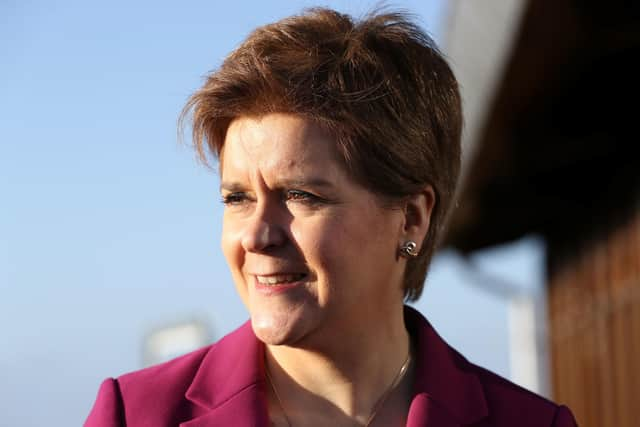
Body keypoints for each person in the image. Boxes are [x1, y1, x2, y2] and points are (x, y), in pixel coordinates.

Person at [85, 7, 578, 427]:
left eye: (300, 195)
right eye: (236, 198)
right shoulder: (136, 416)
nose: (256, 234)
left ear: (411, 219)